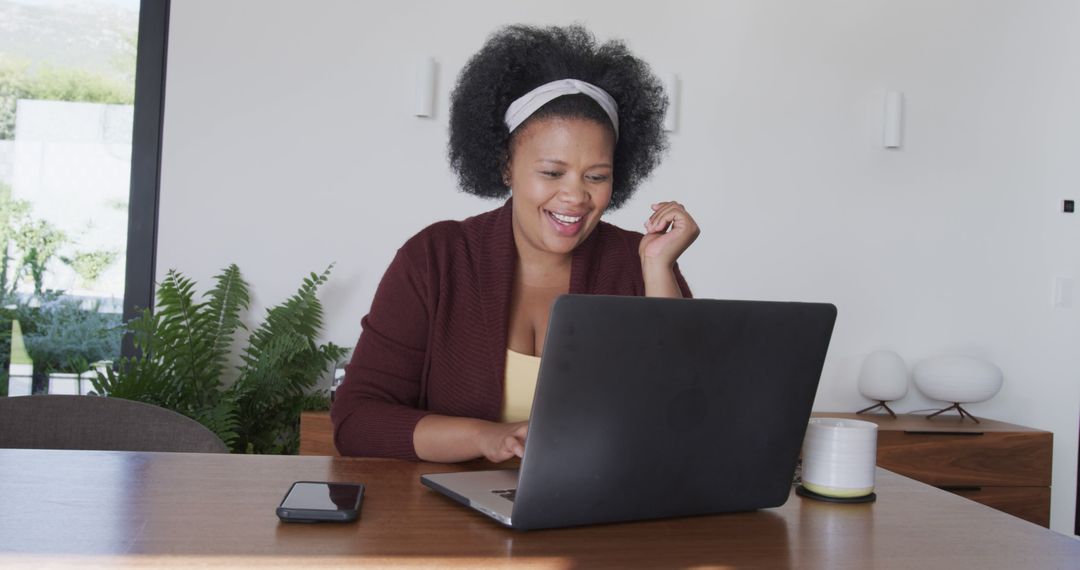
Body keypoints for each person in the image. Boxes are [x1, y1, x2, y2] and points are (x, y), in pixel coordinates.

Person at [331, 24, 699, 463]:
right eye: (551, 172)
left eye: (596, 176)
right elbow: (357, 420)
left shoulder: (640, 264)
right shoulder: (435, 260)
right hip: (447, 522)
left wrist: (658, 268)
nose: (575, 196)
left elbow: (685, 417)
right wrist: (487, 438)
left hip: (600, 519)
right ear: (506, 165)